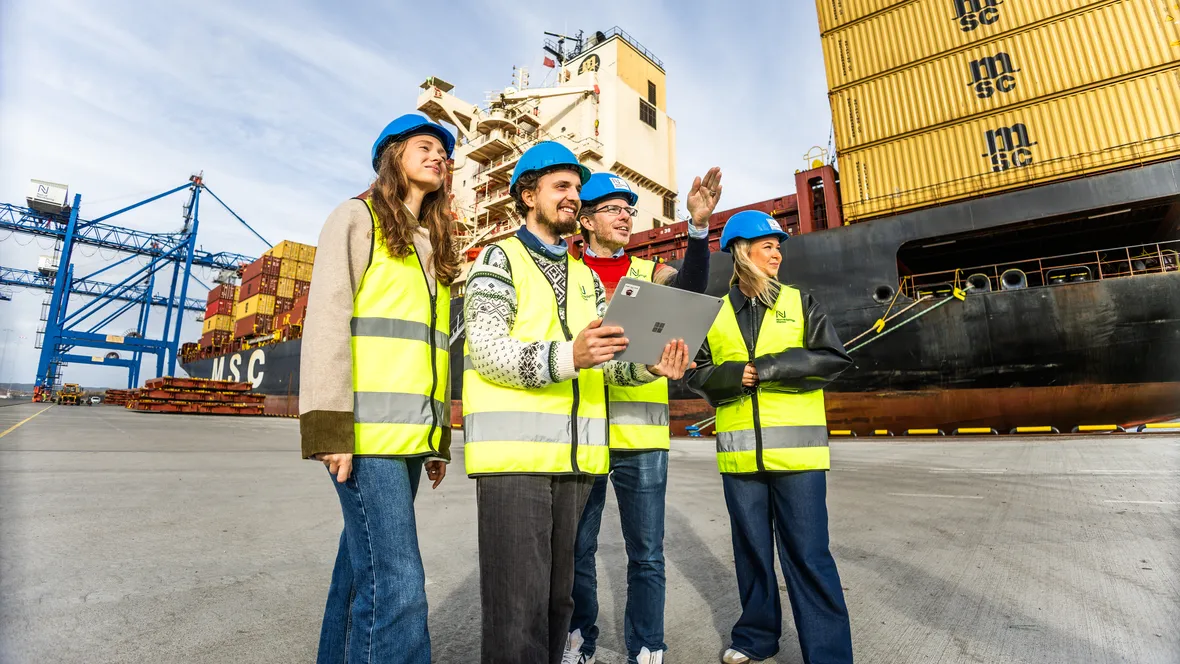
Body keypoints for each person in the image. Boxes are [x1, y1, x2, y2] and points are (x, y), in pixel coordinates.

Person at [462, 141, 694, 664]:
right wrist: (570, 354)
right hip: (514, 462)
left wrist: (649, 367)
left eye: (575, 188)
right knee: (515, 610)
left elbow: (606, 361)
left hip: (574, 463)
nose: (573, 197)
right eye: (560, 187)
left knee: (556, 604)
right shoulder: (498, 258)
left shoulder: (585, 277)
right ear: (527, 195)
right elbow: (489, 351)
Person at [299, 113, 460, 664]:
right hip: (365, 438)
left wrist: (436, 438)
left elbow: (430, 355)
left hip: (408, 438)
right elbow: (326, 322)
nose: (439, 154)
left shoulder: (429, 244)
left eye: (444, 151)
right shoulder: (356, 217)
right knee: (399, 584)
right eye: (425, 145)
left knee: (359, 571)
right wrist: (329, 428)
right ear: (392, 155)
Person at [565, 169, 722, 664]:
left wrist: (697, 230)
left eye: (629, 209)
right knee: (576, 551)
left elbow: (689, 297)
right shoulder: (561, 271)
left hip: (642, 433)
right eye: (614, 208)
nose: (626, 215)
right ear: (586, 220)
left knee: (647, 553)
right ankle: (579, 639)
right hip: (581, 432)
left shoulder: (648, 270)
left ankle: (648, 646)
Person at [685, 210, 855, 664]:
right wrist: (730, 377)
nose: (777, 252)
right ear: (743, 253)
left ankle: (829, 655)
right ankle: (756, 639)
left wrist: (767, 370)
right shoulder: (714, 312)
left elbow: (831, 358)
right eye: (768, 245)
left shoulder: (802, 302)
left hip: (798, 458)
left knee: (808, 555)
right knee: (753, 553)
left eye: (779, 246)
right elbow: (695, 375)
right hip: (740, 459)